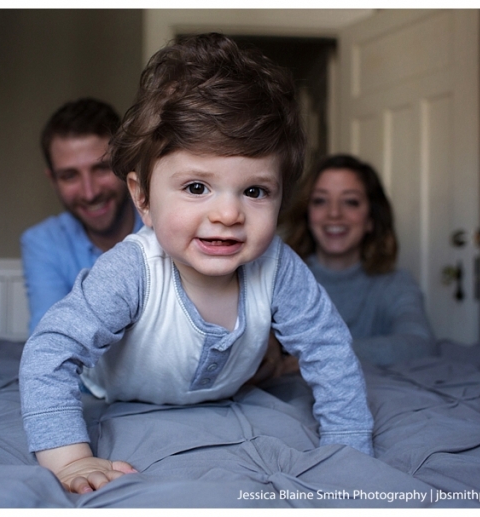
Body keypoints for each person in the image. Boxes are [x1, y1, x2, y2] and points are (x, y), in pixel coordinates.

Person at [19, 33, 374, 495]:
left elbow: (328, 349)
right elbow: (49, 351)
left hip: (225, 387)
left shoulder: (278, 266)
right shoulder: (132, 269)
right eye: (196, 188)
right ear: (143, 198)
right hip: (117, 388)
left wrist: (349, 446)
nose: (228, 214)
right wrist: (70, 461)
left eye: (254, 191)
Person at [281, 154, 436, 367]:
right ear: (307, 215)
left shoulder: (395, 283)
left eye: (350, 202)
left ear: (371, 219)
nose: (334, 213)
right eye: (320, 201)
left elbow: (421, 344)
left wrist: (317, 357)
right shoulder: (281, 281)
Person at [20, 98, 144, 334]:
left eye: (101, 168)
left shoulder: (166, 229)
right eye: (70, 176)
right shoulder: (42, 242)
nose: (90, 193)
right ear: (53, 180)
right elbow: (50, 339)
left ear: (126, 165)